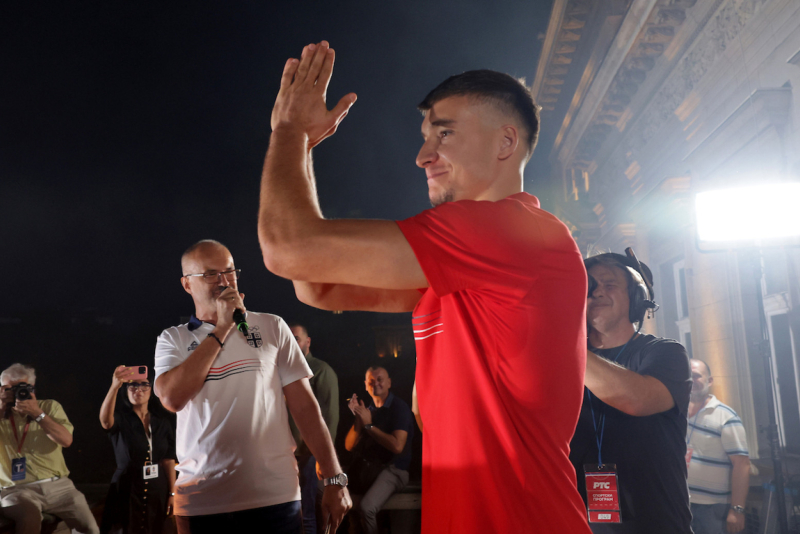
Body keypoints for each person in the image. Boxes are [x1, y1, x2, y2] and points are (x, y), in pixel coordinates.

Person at [258, 41, 590, 533]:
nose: (422, 156)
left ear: (505, 142)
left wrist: (289, 133)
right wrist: (303, 146)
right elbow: (318, 287)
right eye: (425, 136)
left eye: (445, 133)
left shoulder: (514, 231)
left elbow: (287, 248)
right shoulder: (469, 264)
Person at [153, 240, 350, 534]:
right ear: (187, 284)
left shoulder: (272, 327)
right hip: (202, 501)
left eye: (229, 271)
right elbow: (172, 398)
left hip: (276, 496)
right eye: (210, 274)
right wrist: (223, 328)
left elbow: (306, 409)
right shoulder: (174, 339)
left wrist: (334, 478)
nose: (224, 281)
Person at [569, 251, 693, 533]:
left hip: (656, 523)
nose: (596, 292)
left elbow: (637, 399)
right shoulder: (560, 360)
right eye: (588, 286)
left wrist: (564, 341)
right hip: (579, 523)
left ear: (637, 298)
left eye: (609, 284)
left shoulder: (665, 352)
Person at [0, 363, 99, 534]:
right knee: (29, 518)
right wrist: (1, 406)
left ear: (32, 387)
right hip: (15, 490)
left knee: (89, 527)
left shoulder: (49, 407)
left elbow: (66, 440)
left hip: (59, 486)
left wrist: (37, 413)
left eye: (22, 387)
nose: (17, 393)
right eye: (10, 388)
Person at [99, 365, 177, 534]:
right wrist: (114, 386)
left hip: (158, 488)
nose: (138, 389)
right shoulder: (121, 418)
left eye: (144, 385)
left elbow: (168, 459)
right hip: (127, 487)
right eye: (133, 385)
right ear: (126, 391)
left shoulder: (162, 422)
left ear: (151, 390)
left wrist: (172, 494)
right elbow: (105, 422)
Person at [344, 367, 413, 534]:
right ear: (366, 386)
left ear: (389, 382)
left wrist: (369, 425)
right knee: (339, 497)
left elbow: (397, 446)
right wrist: (359, 418)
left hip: (395, 469)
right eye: (371, 381)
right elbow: (349, 446)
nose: (376, 384)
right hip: (371, 469)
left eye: (380, 379)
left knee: (367, 507)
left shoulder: (399, 408)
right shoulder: (369, 410)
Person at [286, 323, 340, 534]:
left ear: (307, 342)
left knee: (307, 512)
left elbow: (330, 417)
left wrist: (323, 457)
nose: (292, 343)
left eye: (296, 338)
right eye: (289, 339)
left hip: (310, 455)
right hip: (290, 454)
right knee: (294, 511)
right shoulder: (285, 371)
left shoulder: (321, 371)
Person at [687, 358, 750, 534]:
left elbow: (742, 464)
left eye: (696, 376)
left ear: (710, 381)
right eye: (687, 375)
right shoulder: (676, 413)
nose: (691, 380)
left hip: (713, 509)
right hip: (680, 503)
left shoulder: (726, 417)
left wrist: (737, 509)